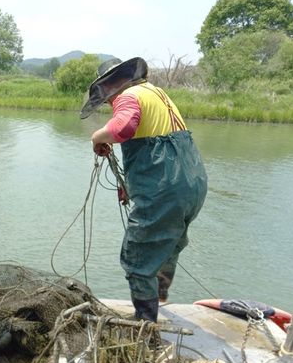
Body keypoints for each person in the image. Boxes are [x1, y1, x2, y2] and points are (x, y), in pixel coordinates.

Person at [82, 57, 208, 323]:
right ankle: (159, 298)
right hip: (192, 184)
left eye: (105, 95)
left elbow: (122, 128)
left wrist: (97, 137)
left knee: (137, 258)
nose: (106, 102)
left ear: (112, 84)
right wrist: (130, 186)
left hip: (166, 189)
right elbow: (159, 150)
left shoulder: (128, 96)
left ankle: (146, 327)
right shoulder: (156, 93)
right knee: (168, 244)